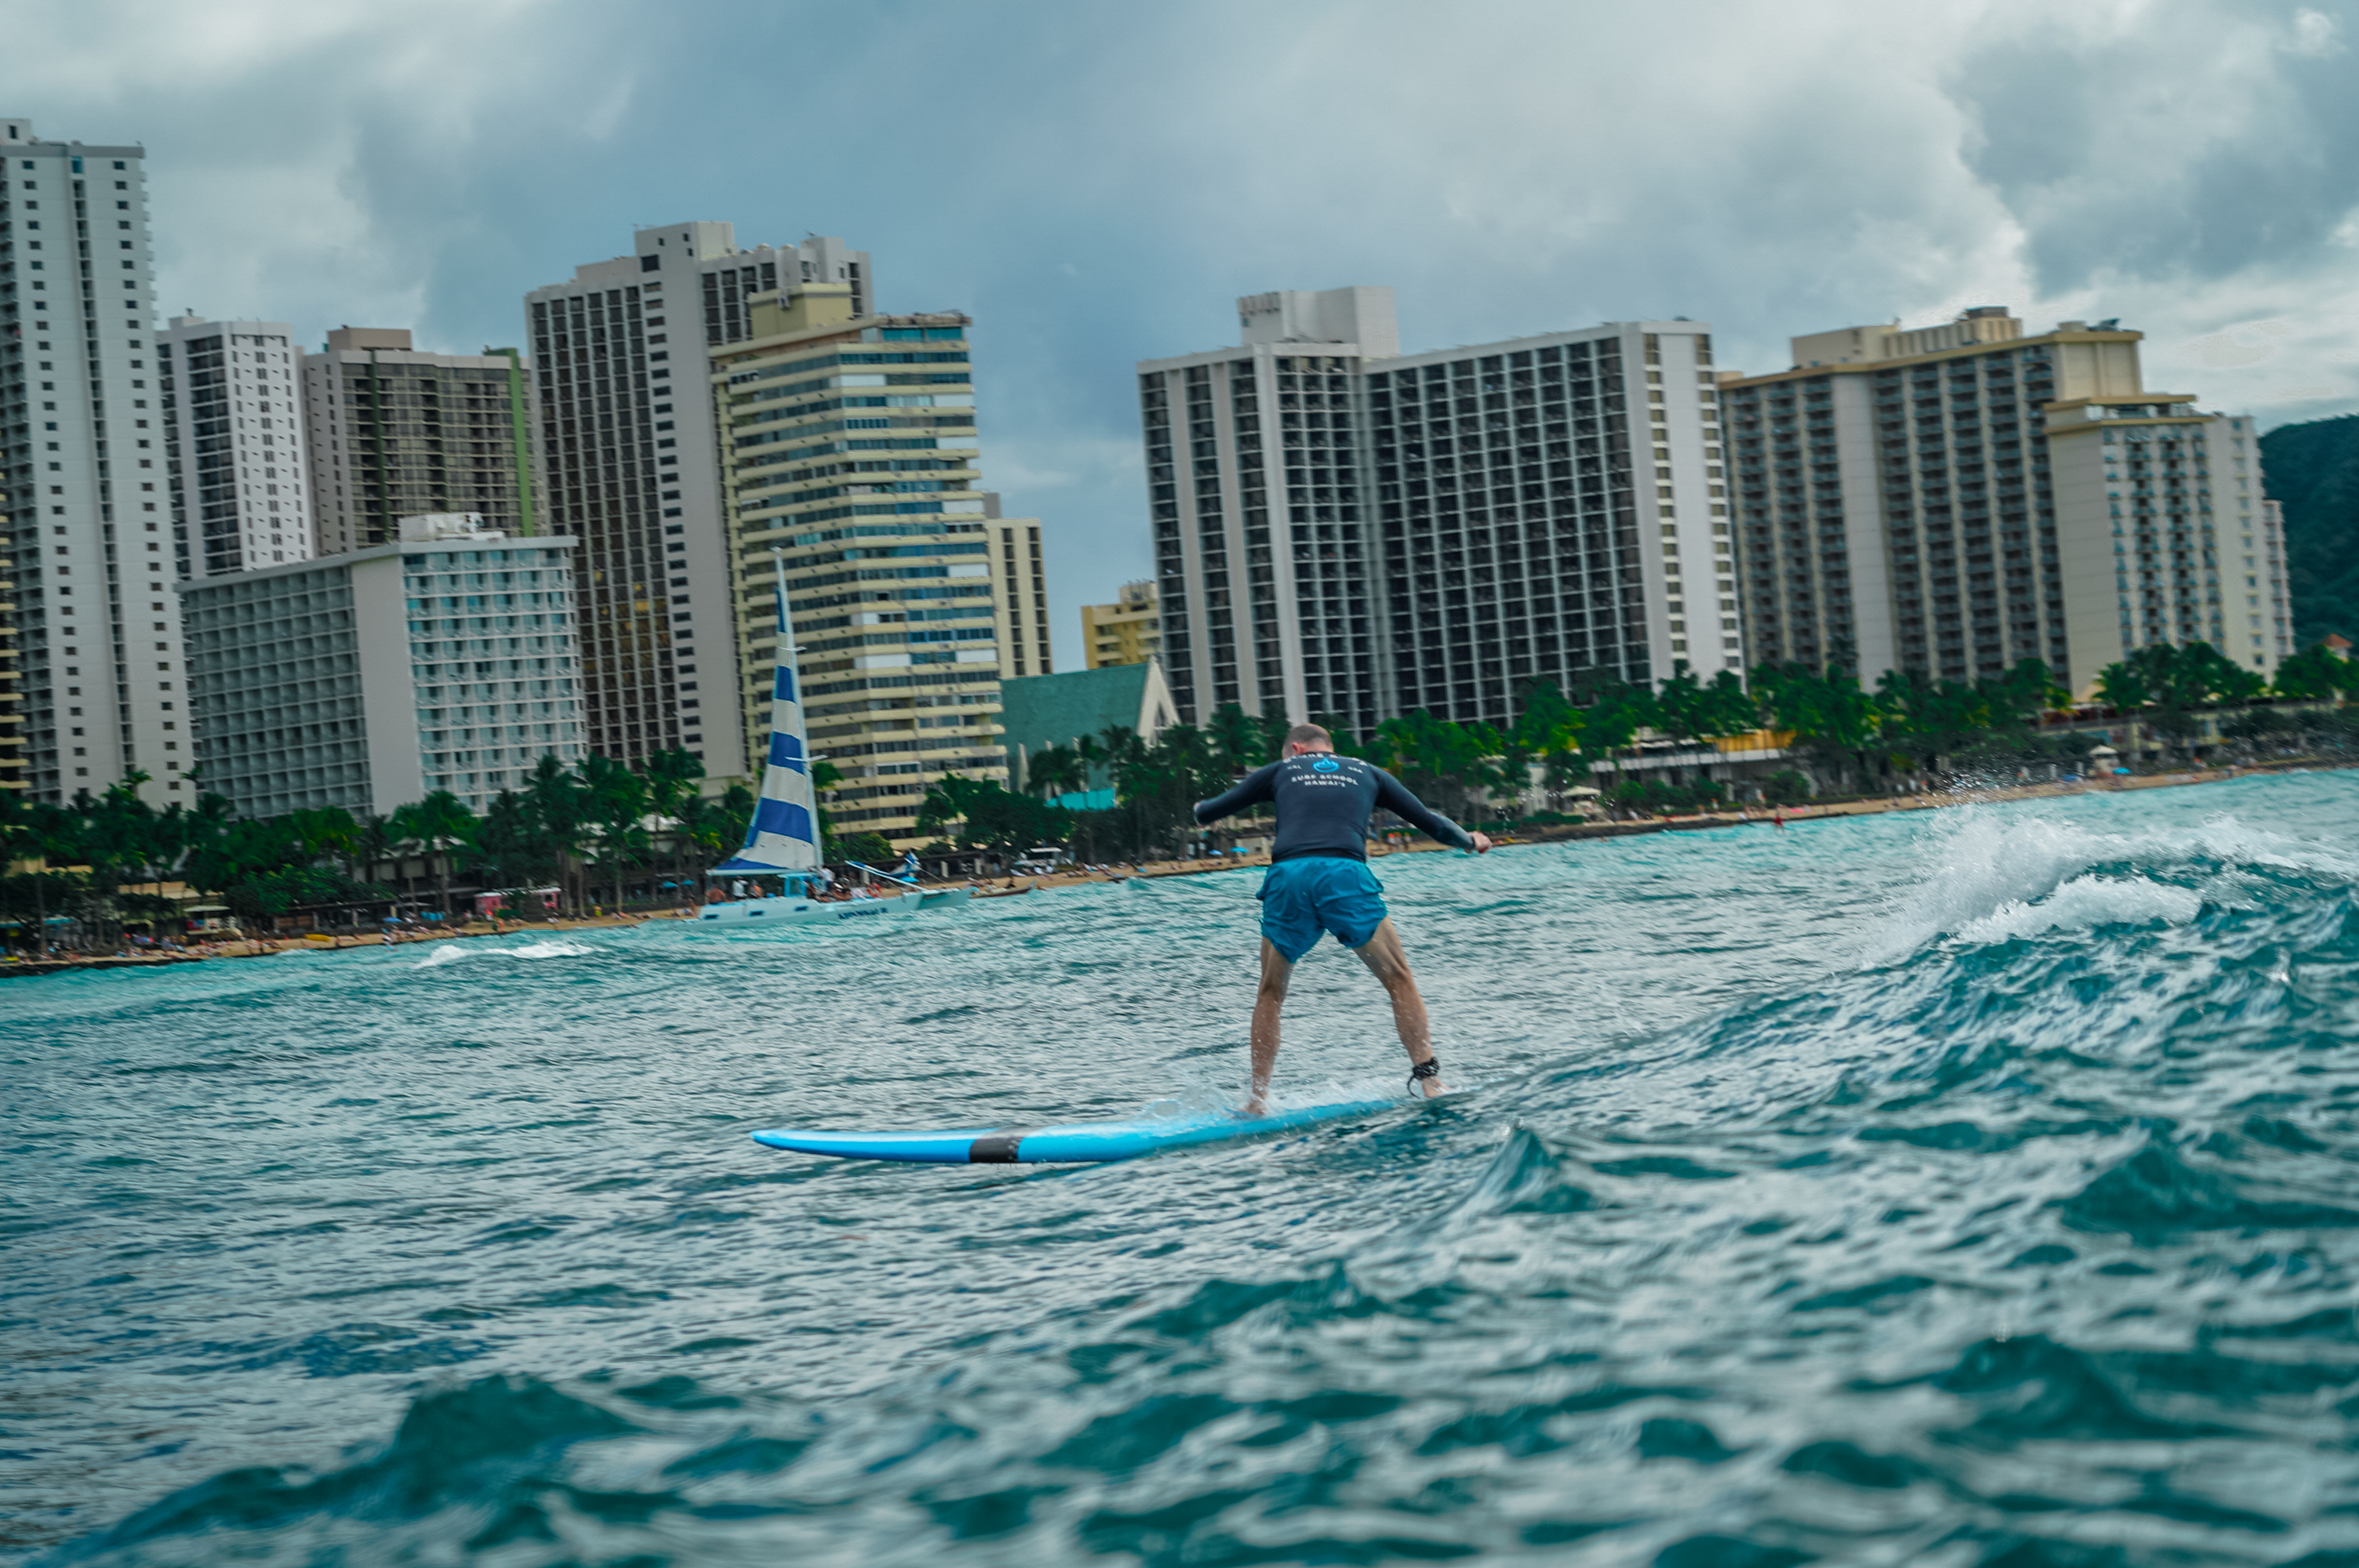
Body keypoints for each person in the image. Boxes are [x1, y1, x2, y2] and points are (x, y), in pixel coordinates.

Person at [1194, 722, 1492, 1116]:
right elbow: (1431, 822)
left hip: (1290, 877)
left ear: (1296, 749)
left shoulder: (1280, 770)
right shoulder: (1369, 772)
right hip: (1343, 874)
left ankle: (1257, 1100)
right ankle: (1431, 1082)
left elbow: (1210, 811)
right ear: (1328, 749)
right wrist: (1469, 840)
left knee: (1271, 992)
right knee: (1399, 979)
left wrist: (1199, 811)